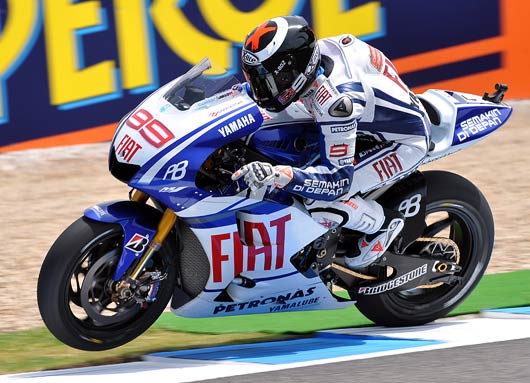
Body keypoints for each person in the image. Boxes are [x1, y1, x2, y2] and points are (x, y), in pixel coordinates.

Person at [231, 16, 431, 270]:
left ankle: (382, 224)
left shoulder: (335, 104)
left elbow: (336, 181)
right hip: (368, 119)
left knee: (318, 199)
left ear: (294, 69)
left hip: (403, 143)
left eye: (269, 82)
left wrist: (277, 174)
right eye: (255, 81)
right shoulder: (314, 55)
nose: (261, 91)